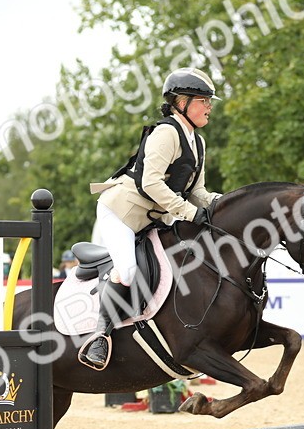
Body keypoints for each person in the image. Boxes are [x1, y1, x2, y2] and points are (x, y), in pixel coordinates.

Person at [80, 67, 222, 369]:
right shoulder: (166, 132)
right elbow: (151, 183)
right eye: (203, 100)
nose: (209, 106)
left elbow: (197, 191)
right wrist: (189, 212)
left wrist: (223, 204)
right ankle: (99, 335)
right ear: (181, 102)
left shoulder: (198, 142)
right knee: (128, 270)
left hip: (151, 219)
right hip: (120, 212)